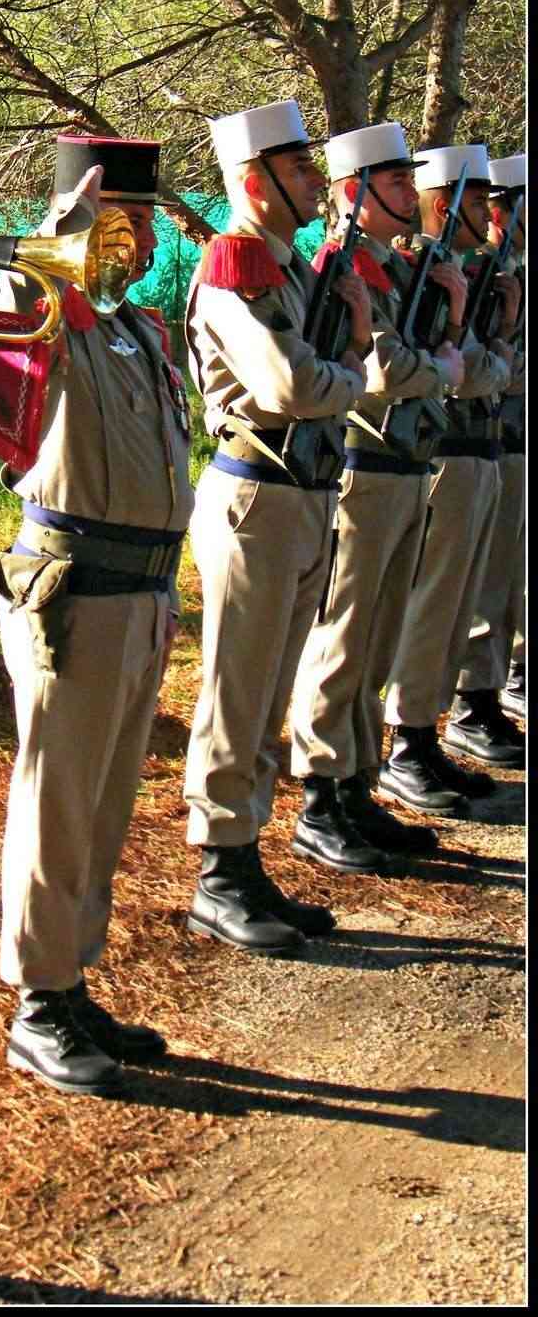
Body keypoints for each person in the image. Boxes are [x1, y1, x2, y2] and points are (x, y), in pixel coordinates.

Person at [0, 134, 194, 1095]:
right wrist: (55, 237)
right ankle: (37, 999)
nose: (137, 242)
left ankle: (71, 981)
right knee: (57, 801)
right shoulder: (52, 315)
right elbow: (17, 310)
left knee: (104, 804)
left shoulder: (138, 331)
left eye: (147, 223)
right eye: (120, 222)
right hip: (72, 589)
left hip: (142, 590)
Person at [182, 99, 372, 958]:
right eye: (298, 171)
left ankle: (247, 857)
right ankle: (219, 874)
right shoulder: (237, 267)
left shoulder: (291, 269)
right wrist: (359, 371)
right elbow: (291, 386)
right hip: (257, 495)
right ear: (255, 182)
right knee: (237, 691)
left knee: (266, 700)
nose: (313, 183)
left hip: (303, 491)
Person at [287, 123, 466, 868]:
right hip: (361, 464)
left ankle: (358, 781)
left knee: (379, 637)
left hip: (401, 465)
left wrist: (448, 332)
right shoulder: (340, 268)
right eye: (394, 185)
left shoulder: (390, 270)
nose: (410, 197)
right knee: (345, 638)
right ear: (354, 194)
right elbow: (384, 371)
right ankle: (321, 795)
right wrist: (447, 359)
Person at [378, 143, 519, 814]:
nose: (489, 214)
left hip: (478, 448)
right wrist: (474, 350)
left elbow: (485, 369)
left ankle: (430, 731)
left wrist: (483, 350)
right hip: (441, 452)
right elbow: (466, 370)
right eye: (477, 201)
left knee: (464, 597)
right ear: (444, 206)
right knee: (435, 604)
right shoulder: (421, 275)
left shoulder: (468, 272)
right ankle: (409, 742)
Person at [447, 153, 526, 766]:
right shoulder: (475, 274)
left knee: (501, 582)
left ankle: (492, 692)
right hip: (474, 442)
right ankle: (472, 703)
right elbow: (483, 371)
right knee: (477, 585)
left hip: (503, 441)